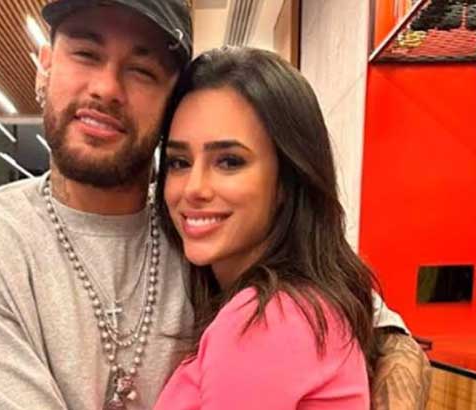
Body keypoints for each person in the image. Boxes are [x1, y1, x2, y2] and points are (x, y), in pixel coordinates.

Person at [0, 1, 430, 409]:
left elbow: (384, 336)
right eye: (85, 53)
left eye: (142, 70)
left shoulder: (213, 234)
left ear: (172, 98)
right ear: (45, 66)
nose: (106, 88)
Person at [153, 46, 372, 408]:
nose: (193, 188)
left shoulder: (263, 320)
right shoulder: (302, 304)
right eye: (179, 162)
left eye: (229, 161)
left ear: (287, 179)